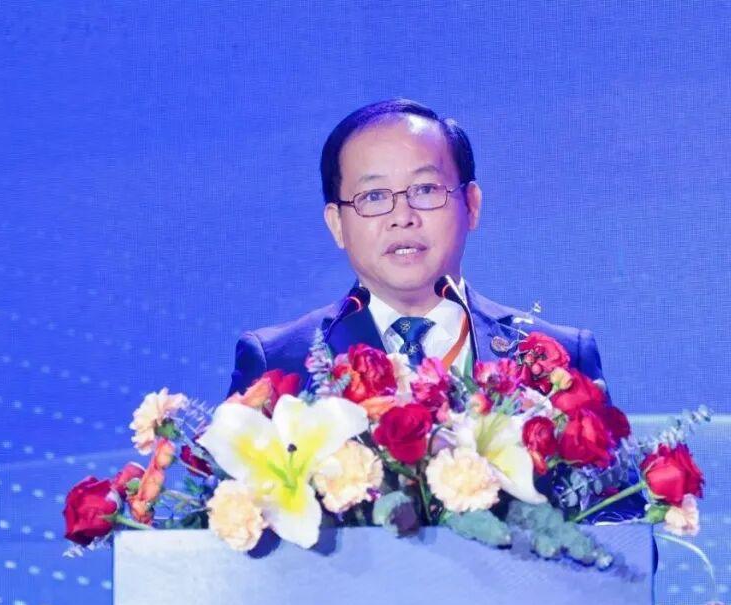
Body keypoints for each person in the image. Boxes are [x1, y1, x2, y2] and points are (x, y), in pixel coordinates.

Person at [228, 98, 644, 522]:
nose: (402, 217)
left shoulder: (556, 357)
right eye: (373, 196)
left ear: (472, 204)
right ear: (337, 224)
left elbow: (619, 523)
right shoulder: (280, 361)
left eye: (425, 190)